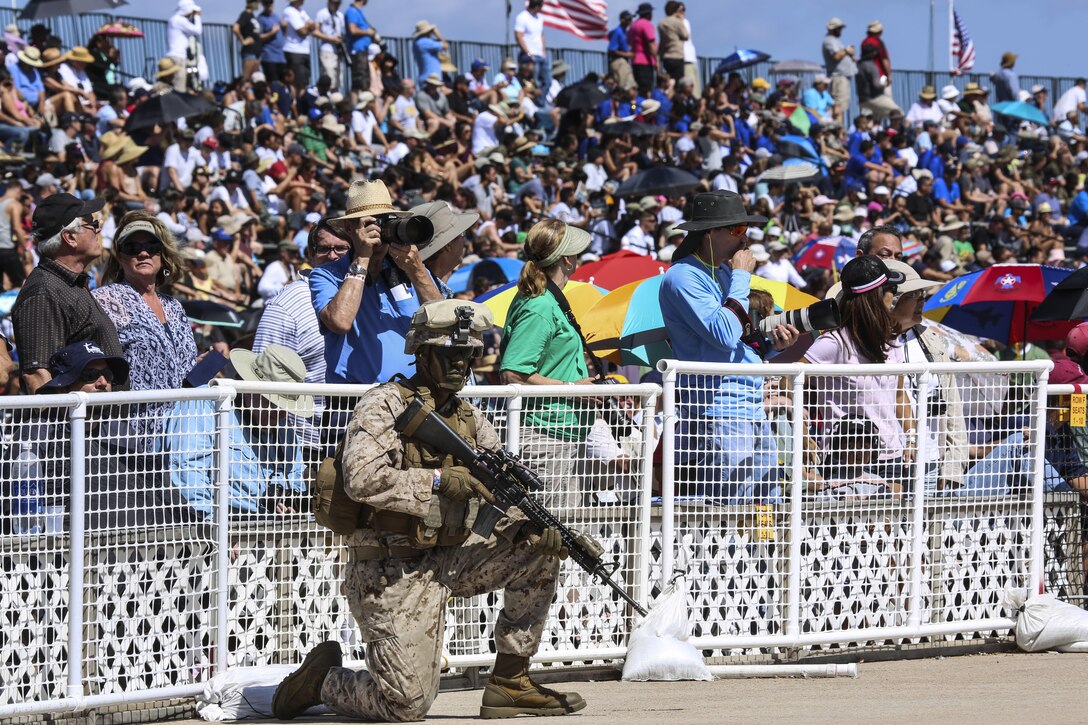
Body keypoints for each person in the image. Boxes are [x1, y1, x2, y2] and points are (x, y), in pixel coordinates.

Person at [271, 300, 585, 721]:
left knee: (538, 550)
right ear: (421, 353)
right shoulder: (383, 405)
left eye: (468, 355)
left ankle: (511, 681)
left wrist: (532, 529)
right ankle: (323, 680)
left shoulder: (468, 417)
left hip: (449, 558)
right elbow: (363, 479)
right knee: (406, 706)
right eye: (449, 354)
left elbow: (496, 493)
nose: (461, 364)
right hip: (389, 570)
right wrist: (437, 480)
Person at [659, 190, 800, 502]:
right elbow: (722, 334)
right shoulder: (682, 277)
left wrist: (773, 346)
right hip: (719, 410)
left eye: (745, 229)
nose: (745, 238)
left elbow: (737, 343)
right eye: (737, 229)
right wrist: (740, 276)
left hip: (749, 405)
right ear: (709, 234)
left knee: (767, 506)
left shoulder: (722, 272)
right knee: (729, 511)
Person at [498, 219, 596, 510]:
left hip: (556, 435)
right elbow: (513, 374)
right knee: (551, 538)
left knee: (558, 538)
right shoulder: (539, 305)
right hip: (546, 439)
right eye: (575, 253)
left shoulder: (545, 301)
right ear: (566, 260)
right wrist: (573, 388)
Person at [310, 180, 443, 387]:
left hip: (412, 401)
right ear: (349, 227)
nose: (380, 231)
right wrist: (362, 258)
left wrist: (417, 271)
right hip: (355, 404)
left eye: (385, 221)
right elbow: (340, 322)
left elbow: (444, 323)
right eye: (371, 222)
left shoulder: (408, 268)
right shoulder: (327, 275)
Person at [165, 345, 312, 519]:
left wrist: (291, 506)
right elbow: (189, 479)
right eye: (275, 403)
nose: (281, 413)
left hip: (272, 535)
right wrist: (215, 536)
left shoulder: (284, 431)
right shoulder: (205, 406)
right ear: (251, 389)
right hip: (221, 530)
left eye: (286, 406)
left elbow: (297, 483)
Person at [802, 255, 911, 487]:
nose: (895, 296)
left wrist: (912, 436)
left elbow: (900, 396)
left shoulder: (892, 342)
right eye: (890, 289)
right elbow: (788, 382)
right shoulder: (834, 343)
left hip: (893, 458)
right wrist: (802, 430)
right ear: (875, 296)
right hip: (846, 462)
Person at [92, 212, 198, 434]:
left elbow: (178, 366)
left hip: (183, 431)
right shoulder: (106, 299)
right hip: (132, 432)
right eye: (132, 247)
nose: (143, 253)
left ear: (162, 254)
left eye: (152, 247)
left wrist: (201, 364)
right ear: (120, 257)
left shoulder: (174, 307)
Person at [253, 220, 351, 461]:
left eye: (341, 248)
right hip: (305, 450)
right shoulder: (286, 306)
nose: (333, 256)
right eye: (324, 249)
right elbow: (258, 386)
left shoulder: (366, 294)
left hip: (362, 443)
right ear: (310, 254)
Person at [11, 193, 122, 394]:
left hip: (98, 421)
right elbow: (38, 377)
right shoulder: (44, 292)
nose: (99, 229)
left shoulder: (69, 284)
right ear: (70, 237)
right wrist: (69, 425)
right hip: (75, 423)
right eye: (92, 224)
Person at [885, 259, 968, 493]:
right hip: (883, 461)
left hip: (930, 459)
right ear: (892, 300)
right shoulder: (868, 341)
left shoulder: (931, 339)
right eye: (916, 295)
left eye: (923, 294)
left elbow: (953, 407)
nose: (923, 300)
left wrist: (952, 468)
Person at [822, 17, 856, 125]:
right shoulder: (829, 41)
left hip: (842, 78)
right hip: (838, 78)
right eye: (839, 28)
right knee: (838, 107)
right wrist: (846, 50)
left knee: (841, 106)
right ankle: (837, 130)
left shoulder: (835, 41)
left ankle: (839, 128)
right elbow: (836, 56)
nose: (840, 31)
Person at [166, 0, 203, 93]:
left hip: (177, 56)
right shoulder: (179, 20)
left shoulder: (175, 20)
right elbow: (198, 31)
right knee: (180, 87)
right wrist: (197, 16)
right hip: (178, 57)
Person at [514, 0, 549, 93]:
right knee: (534, 82)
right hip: (530, 56)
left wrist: (543, 51)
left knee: (547, 81)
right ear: (537, 6)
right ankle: (535, 103)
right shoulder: (522, 17)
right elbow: (518, 36)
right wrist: (528, 53)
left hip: (540, 55)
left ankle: (541, 102)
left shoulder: (540, 18)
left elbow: (541, 35)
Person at [345, 0, 376, 96]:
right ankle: (357, 105)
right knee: (358, 81)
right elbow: (352, 30)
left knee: (364, 81)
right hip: (357, 50)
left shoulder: (359, 11)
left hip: (363, 50)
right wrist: (368, 32)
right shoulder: (352, 11)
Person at [313, 0, 345, 92]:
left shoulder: (340, 16)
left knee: (338, 78)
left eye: (338, 3)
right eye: (334, 3)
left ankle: (336, 99)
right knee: (329, 75)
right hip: (327, 49)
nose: (336, 5)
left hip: (338, 50)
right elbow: (315, 31)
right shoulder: (322, 13)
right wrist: (330, 38)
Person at [282, 0, 314, 91]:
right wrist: (308, 26)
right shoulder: (289, 11)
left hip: (304, 50)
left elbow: (313, 26)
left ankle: (302, 102)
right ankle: (296, 102)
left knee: (304, 81)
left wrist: (307, 26)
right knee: (296, 82)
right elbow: (302, 31)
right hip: (294, 51)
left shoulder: (301, 11)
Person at [627, 2, 657, 98]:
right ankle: (644, 110)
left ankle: (634, 107)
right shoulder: (646, 24)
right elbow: (650, 44)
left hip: (635, 61)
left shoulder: (633, 26)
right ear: (649, 13)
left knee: (638, 90)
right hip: (645, 61)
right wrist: (657, 60)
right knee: (647, 90)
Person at [657, 1, 688, 83]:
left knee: (668, 80)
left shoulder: (661, 24)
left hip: (666, 55)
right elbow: (686, 35)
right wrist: (681, 20)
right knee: (678, 81)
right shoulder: (677, 22)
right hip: (677, 55)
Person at [233, 0, 263, 81]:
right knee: (246, 79)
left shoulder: (252, 16)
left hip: (256, 52)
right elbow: (236, 28)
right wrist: (242, 40)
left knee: (253, 80)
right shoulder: (245, 15)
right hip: (249, 51)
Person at [258, 0, 287, 83]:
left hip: (280, 57)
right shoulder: (261, 19)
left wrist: (284, 27)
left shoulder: (276, 17)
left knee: (282, 84)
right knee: (273, 84)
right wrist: (271, 33)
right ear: (263, 4)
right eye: (266, 3)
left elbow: (282, 34)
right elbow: (258, 37)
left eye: (270, 2)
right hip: (269, 57)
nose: (268, 5)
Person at [411, 20, 446, 87]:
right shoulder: (424, 42)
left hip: (428, 78)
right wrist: (437, 33)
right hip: (431, 79)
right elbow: (445, 45)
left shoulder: (417, 42)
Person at [607, 10, 635, 91]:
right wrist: (627, 55)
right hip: (619, 62)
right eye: (628, 19)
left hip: (624, 62)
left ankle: (632, 104)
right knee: (627, 89)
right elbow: (611, 50)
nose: (630, 21)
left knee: (630, 89)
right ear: (622, 20)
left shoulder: (625, 32)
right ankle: (630, 104)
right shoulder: (618, 32)